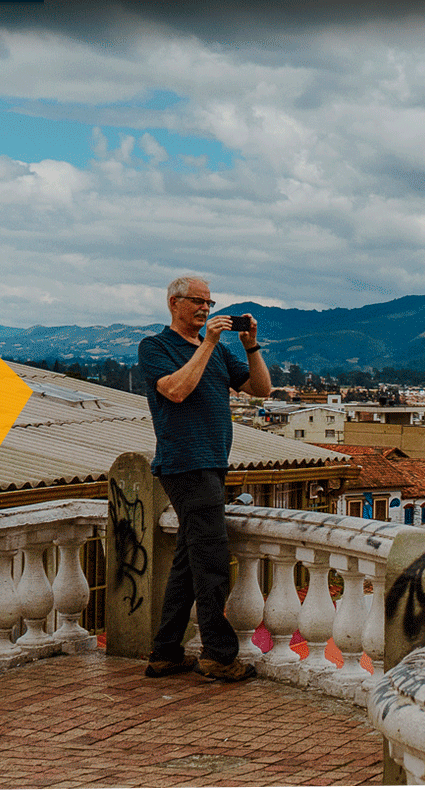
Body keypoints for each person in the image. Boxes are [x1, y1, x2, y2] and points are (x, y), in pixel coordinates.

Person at [136, 275, 272, 682]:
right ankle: (217, 654)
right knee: (212, 560)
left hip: (211, 463)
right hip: (185, 464)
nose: (205, 309)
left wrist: (250, 344)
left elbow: (262, 389)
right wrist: (209, 343)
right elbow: (175, 391)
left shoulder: (218, 352)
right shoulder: (155, 347)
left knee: (187, 562)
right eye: (197, 301)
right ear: (174, 303)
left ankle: (165, 652)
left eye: (209, 303)